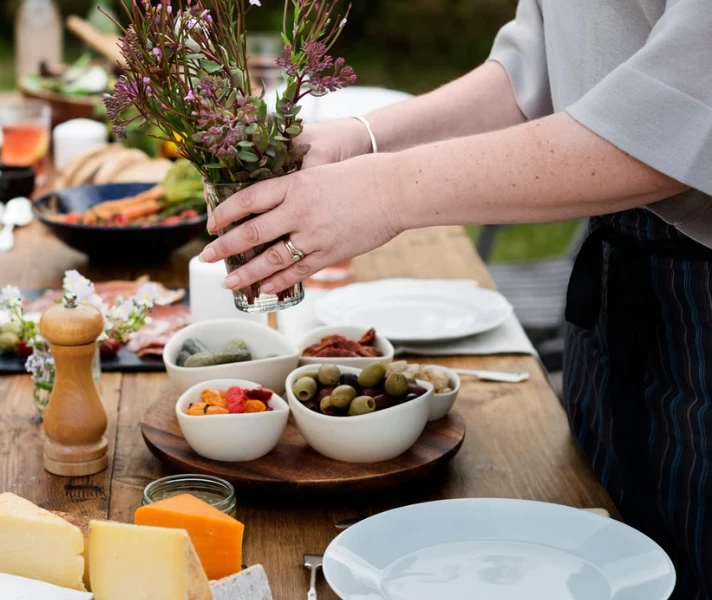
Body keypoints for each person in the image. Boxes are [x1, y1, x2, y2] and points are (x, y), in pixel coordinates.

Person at [198, 1, 712, 598]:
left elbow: (675, 119)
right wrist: (362, 138)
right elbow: (533, 75)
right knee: (605, 552)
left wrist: (387, 192)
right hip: (615, 295)